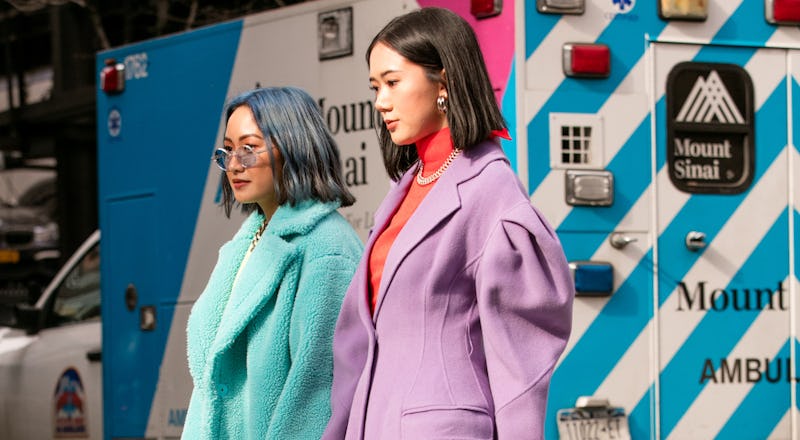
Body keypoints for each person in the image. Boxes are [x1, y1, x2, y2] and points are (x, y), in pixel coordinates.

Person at [323, 7, 574, 440]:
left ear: (444, 82)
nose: (381, 101)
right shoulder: (407, 186)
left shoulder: (492, 189)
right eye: (375, 86)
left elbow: (521, 355)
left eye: (393, 82)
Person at [182, 86, 364, 440]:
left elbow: (315, 396)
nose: (234, 165)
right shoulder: (244, 244)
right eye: (229, 151)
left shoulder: (327, 247)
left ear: (294, 146)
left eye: (249, 149)